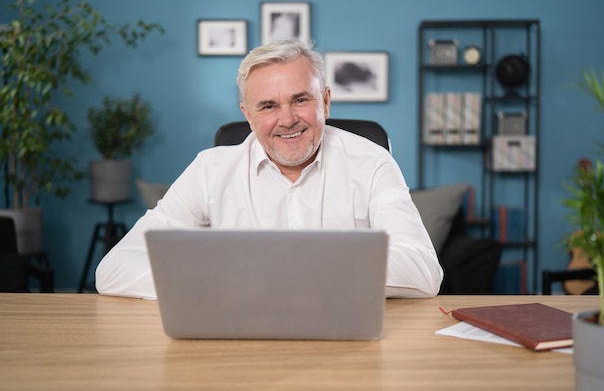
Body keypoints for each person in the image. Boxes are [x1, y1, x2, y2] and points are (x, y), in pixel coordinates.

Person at [95, 40, 443, 299]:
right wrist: (216, 282)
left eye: (301, 99)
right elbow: (114, 269)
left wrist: (298, 273)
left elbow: (423, 270)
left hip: (347, 345)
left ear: (325, 101)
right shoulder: (210, 170)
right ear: (247, 114)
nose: (287, 119)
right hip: (238, 342)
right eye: (268, 106)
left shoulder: (373, 162)